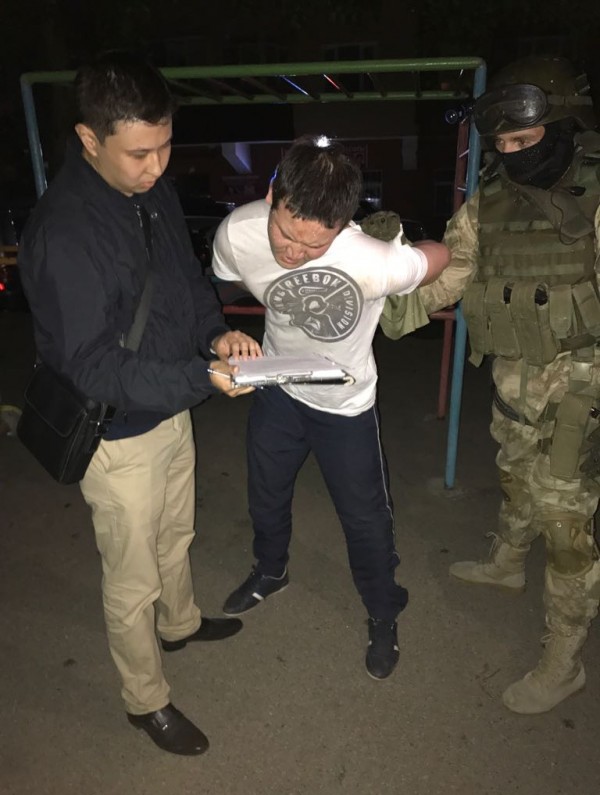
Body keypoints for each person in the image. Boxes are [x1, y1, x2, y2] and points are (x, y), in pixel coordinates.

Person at [18, 52, 263, 756]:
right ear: (89, 139)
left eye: (165, 146)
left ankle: (180, 624)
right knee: (130, 581)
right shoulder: (64, 231)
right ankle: (144, 700)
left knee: (176, 533)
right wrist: (200, 376)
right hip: (117, 433)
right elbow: (91, 365)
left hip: (171, 401)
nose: (156, 167)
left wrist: (215, 334)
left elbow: (185, 281)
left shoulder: (151, 192)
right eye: (138, 153)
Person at [385, 56, 600, 713]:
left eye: (523, 140)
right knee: (513, 475)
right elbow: (455, 271)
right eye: (501, 143)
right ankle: (507, 563)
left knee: (566, 526)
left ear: (564, 126)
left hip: (582, 388)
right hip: (514, 378)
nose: (510, 153)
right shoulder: (490, 200)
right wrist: (389, 299)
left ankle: (564, 658)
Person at [211, 135, 450, 680]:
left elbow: (438, 257)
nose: (292, 253)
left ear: (343, 226)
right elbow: (227, 279)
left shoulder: (373, 259)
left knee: (365, 519)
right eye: (285, 233)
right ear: (271, 195)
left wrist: (422, 253)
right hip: (278, 388)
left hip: (345, 405)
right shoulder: (238, 231)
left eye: (313, 245)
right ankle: (271, 570)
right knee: (265, 492)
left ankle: (383, 610)